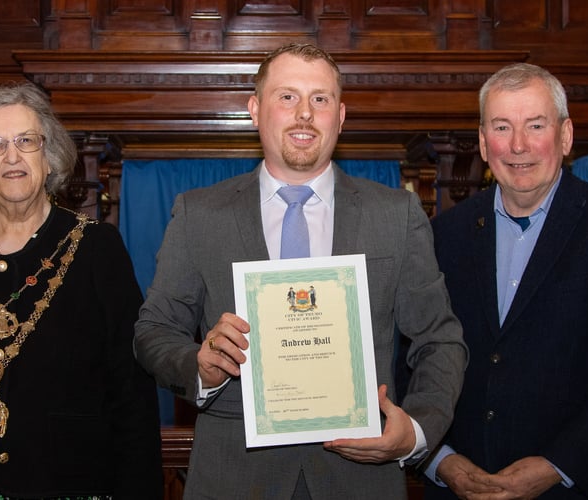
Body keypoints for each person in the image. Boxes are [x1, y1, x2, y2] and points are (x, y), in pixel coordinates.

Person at [133, 42, 467, 499]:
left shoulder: (396, 213)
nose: (304, 114)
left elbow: (439, 339)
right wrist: (199, 366)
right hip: (234, 478)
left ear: (341, 115)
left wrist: (416, 430)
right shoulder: (199, 214)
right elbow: (153, 330)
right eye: (287, 97)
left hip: (360, 479)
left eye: (320, 99)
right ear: (255, 109)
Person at [0, 83, 164, 499]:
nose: (12, 156)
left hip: (68, 484)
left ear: (47, 159)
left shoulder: (96, 248)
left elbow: (132, 394)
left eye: (26, 141)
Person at [425, 63, 588, 499]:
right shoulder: (444, 234)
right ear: (482, 141)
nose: (518, 145)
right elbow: (418, 358)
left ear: (565, 136)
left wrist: (557, 465)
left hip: (584, 486)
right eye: (502, 127)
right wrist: (441, 460)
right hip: (464, 486)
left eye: (536, 125)